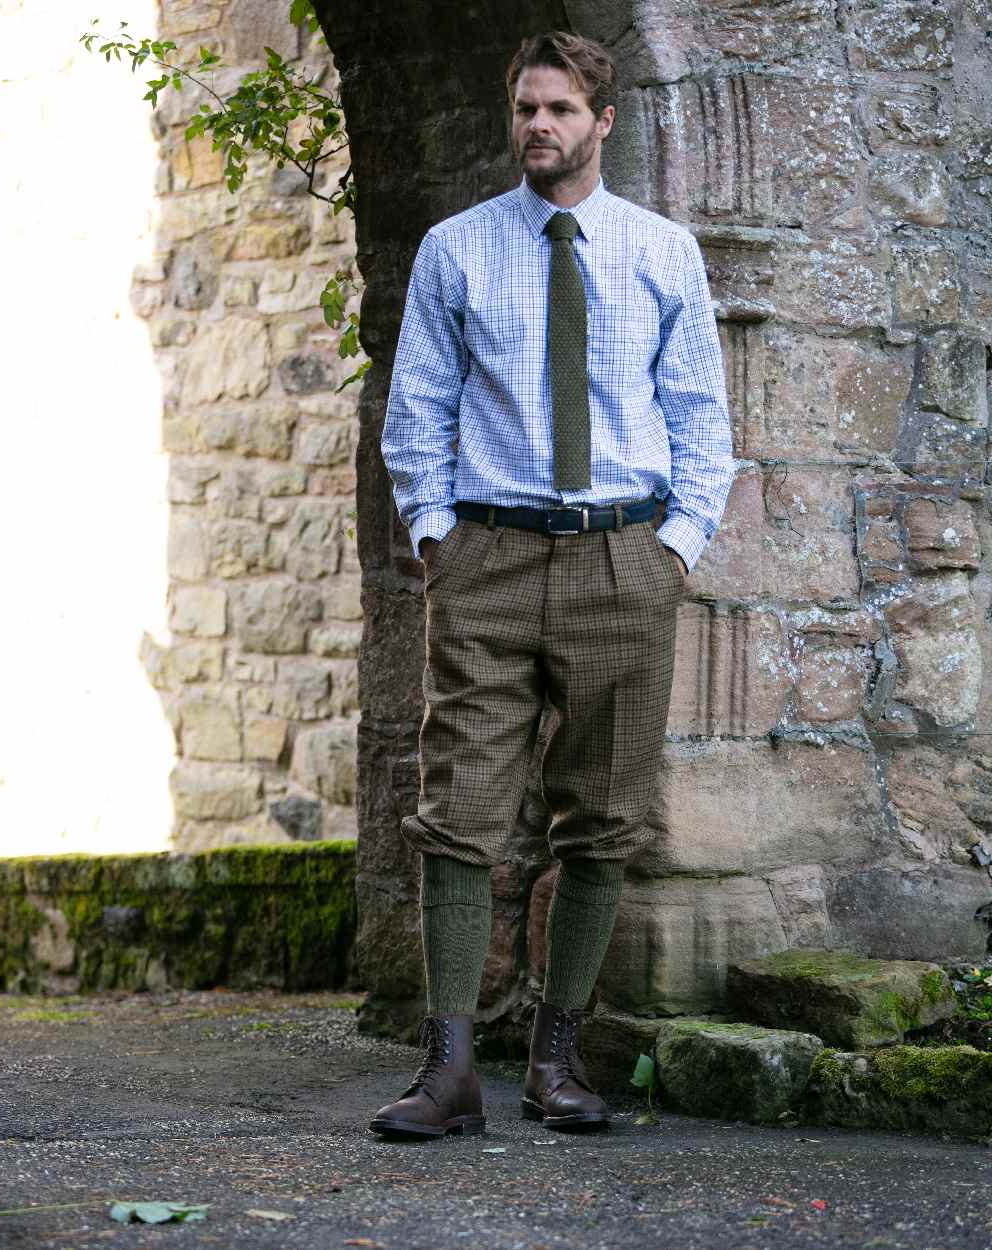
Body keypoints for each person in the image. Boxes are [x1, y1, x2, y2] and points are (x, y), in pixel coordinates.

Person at [371, 30, 735, 1139]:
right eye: (525, 108)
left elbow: (700, 416)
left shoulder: (662, 252)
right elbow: (417, 409)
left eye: (561, 110)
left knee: (604, 818)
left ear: (602, 121)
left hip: (625, 561)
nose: (539, 126)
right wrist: (437, 535)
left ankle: (557, 1061)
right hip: (486, 558)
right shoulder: (457, 249)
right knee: (456, 819)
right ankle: (447, 1074)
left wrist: (676, 547)